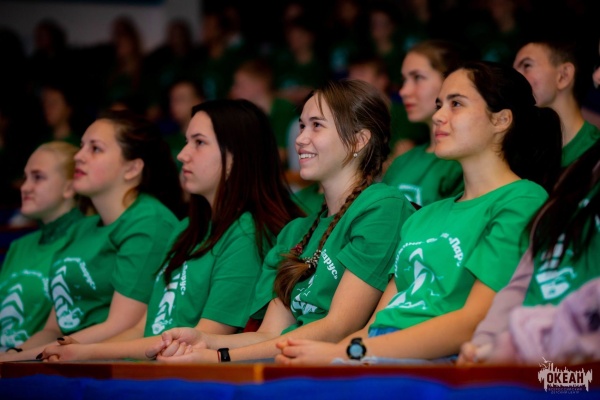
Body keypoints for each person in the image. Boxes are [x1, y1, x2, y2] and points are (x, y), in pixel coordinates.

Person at [274, 61, 563, 365]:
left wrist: (343, 354)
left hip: (437, 362)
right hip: (377, 357)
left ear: (501, 120)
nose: (438, 116)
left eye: (456, 104)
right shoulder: (424, 216)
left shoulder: (522, 200)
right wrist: (338, 357)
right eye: (439, 105)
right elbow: (376, 325)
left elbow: (474, 321)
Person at [143, 79, 416, 363]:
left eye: (316, 125)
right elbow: (268, 335)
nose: (300, 138)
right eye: (301, 125)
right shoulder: (295, 231)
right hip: (291, 366)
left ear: (359, 140)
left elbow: (338, 328)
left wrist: (219, 357)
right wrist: (205, 341)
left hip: (339, 373)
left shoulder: (382, 208)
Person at [36, 99, 304, 362]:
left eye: (199, 143)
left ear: (236, 156)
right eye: (186, 141)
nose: (182, 154)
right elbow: (142, 329)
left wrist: (88, 353)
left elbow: (203, 339)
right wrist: (82, 350)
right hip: (147, 368)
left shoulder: (246, 234)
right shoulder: (186, 227)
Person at [0, 109, 183, 362]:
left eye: (95, 149)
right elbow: (53, 329)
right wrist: (15, 354)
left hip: (110, 365)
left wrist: (20, 359)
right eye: (82, 146)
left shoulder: (149, 222)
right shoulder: (82, 228)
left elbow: (122, 326)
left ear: (132, 168)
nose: (78, 156)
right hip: (63, 359)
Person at [458, 140, 600, 365]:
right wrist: (483, 344)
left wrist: (510, 347)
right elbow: (522, 281)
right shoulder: (582, 170)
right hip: (515, 351)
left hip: (567, 365)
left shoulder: (523, 197)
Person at [0, 142, 83, 352]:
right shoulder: (19, 245)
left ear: (70, 187)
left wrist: (9, 359)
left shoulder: (85, 242)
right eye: (25, 177)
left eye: (37, 177)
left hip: (34, 363)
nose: (24, 187)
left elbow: (60, 330)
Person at [382, 40, 469, 207]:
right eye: (404, 80)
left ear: (451, 80)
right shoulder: (403, 160)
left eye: (418, 78)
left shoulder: (462, 165)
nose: (404, 91)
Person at [513, 38, 600, 167]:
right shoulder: (520, 151)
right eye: (513, 70)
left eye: (527, 66)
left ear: (564, 76)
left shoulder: (595, 154)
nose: (514, 78)